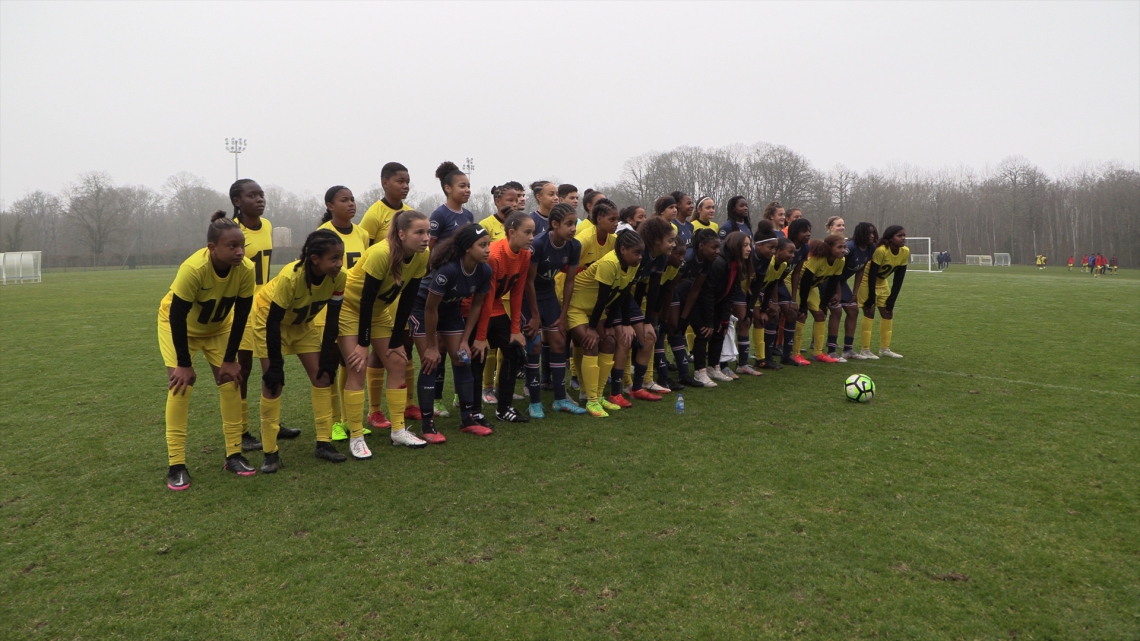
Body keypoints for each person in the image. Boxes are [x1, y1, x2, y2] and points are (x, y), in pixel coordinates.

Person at [159, 211, 256, 490]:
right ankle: (176, 464)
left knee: (230, 384)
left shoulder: (246, 269)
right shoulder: (193, 268)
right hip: (178, 328)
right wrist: (184, 363)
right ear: (212, 248)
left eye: (242, 246)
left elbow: (241, 314)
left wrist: (229, 360)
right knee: (181, 385)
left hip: (218, 329)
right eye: (232, 247)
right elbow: (177, 315)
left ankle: (234, 455)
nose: (239, 252)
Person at [339, 210, 432, 455]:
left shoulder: (423, 255)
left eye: (428, 232)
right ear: (401, 234)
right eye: (419, 232)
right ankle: (356, 437)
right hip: (350, 308)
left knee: (398, 362)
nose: (426, 238)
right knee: (357, 367)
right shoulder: (382, 252)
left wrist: (394, 341)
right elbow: (366, 299)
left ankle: (398, 431)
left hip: (378, 312)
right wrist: (363, 343)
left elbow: (408, 298)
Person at [253, 230, 347, 469]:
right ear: (315, 259)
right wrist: (276, 365)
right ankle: (270, 453)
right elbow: (273, 321)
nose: (339, 264)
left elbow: (333, 320)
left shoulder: (339, 277)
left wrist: (326, 357)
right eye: (333, 258)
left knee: (323, 376)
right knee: (273, 383)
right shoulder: (291, 277)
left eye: (341, 257)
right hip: (270, 322)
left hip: (303, 324)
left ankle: (324, 443)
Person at [409, 224, 494, 442]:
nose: (487, 250)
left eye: (489, 245)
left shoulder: (484, 270)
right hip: (422, 308)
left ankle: (468, 420)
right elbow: (430, 309)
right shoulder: (448, 271)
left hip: (450, 309)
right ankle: (427, 426)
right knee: (430, 362)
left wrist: (466, 340)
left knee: (462, 359)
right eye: (482, 245)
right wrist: (432, 346)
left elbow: (476, 306)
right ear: (467, 248)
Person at [316, 186, 373, 442]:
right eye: (344, 200)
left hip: (354, 307)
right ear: (330, 205)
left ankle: (348, 420)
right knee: (329, 364)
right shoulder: (322, 234)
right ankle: (332, 422)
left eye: (352, 199)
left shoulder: (361, 233)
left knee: (349, 363)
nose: (351, 204)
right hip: (329, 306)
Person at [567, 230, 644, 416]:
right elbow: (602, 298)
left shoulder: (632, 264)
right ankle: (591, 401)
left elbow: (622, 295)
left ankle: (599, 395)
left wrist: (610, 324)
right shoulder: (610, 263)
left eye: (642, 253)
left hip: (595, 309)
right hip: (576, 305)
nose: (640, 257)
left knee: (609, 342)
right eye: (637, 253)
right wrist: (593, 328)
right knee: (591, 344)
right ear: (623, 249)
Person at [522, 204, 588, 417]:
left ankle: (560, 399)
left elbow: (569, 282)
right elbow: (528, 282)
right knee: (534, 345)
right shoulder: (539, 244)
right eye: (568, 224)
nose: (573, 228)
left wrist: (563, 315)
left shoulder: (574, 246)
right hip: (528, 297)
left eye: (574, 223)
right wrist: (534, 315)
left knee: (559, 341)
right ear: (554, 224)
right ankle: (534, 402)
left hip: (550, 297)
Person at [228, 179, 280, 453]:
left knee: (272, 363)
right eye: (252, 195)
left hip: (267, 304)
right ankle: (242, 430)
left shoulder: (268, 225)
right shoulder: (233, 231)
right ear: (238, 201)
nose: (260, 199)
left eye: (261, 194)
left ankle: (271, 424)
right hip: (242, 307)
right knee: (244, 369)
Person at [472, 212, 535, 423]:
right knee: (477, 356)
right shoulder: (494, 255)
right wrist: (481, 337)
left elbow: (517, 293)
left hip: (496, 308)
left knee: (515, 352)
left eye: (533, 232)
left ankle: (504, 408)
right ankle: (473, 411)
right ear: (511, 232)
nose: (531, 237)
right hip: (475, 309)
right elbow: (484, 300)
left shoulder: (525, 255)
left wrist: (515, 330)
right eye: (527, 232)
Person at [619, 217, 677, 402]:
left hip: (627, 297)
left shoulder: (661, 257)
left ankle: (637, 387)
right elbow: (624, 286)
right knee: (623, 339)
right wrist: (628, 322)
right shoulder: (638, 254)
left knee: (650, 336)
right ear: (657, 240)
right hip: (614, 294)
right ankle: (617, 388)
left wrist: (649, 321)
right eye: (670, 240)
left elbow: (653, 288)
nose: (674, 245)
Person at [565, 198, 619, 392]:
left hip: (595, 302)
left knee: (609, 340)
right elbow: (565, 273)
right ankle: (583, 389)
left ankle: (595, 390)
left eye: (617, 220)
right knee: (587, 340)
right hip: (573, 299)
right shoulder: (584, 239)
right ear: (599, 218)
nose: (616, 224)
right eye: (612, 219)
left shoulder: (614, 242)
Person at [670, 229, 722, 387]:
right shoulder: (687, 257)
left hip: (685, 294)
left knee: (688, 328)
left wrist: (685, 316)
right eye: (714, 248)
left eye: (719, 247)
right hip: (671, 293)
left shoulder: (707, 261)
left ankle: (693, 373)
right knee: (669, 329)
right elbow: (672, 286)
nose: (718, 251)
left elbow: (695, 289)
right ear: (701, 246)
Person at [704, 231, 752, 381]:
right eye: (745, 245)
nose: (749, 249)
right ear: (735, 245)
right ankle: (699, 371)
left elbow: (730, 293)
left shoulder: (735, 264)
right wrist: (709, 318)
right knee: (703, 333)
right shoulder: (719, 263)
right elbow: (709, 292)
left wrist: (724, 319)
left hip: (717, 303)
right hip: (702, 303)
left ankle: (714, 367)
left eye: (749, 245)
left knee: (719, 331)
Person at [719, 197, 758, 375]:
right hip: (727, 278)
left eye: (746, 205)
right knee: (726, 321)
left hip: (740, 280)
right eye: (741, 205)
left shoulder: (747, 226)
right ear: (732, 208)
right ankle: (723, 364)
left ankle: (742, 362)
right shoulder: (727, 227)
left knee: (745, 319)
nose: (745, 208)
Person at [859, 225, 910, 359]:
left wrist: (892, 299)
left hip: (882, 282)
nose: (903, 238)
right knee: (869, 311)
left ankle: (885, 349)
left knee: (888, 312)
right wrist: (871, 296)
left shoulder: (905, 251)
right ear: (890, 238)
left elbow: (899, 278)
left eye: (904, 235)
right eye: (899, 236)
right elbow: (871, 274)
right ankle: (865, 349)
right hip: (867, 280)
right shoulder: (881, 250)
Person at [798, 234, 847, 364]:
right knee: (801, 315)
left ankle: (818, 353)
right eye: (839, 247)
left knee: (820, 315)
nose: (843, 250)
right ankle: (795, 353)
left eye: (844, 247)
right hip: (796, 286)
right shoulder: (817, 259)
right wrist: (803, 305)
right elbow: (804, 282)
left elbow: (832, 283)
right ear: (829, 248)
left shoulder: (840, 261)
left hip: (809, 288)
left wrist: (824, 305)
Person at [745, 220, 784, 371]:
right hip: (738, 291)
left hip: (752, 291)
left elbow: (760, 283)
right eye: (771, 247)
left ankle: (762, 359)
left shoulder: (766, 258)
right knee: (743, 321)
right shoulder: (749, 257)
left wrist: (761, 308)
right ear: (759, 245)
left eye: (775, 247)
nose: (773, 251)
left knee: (759, 318)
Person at [837, 222, 878, 360]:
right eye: (869, 233)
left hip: (841, 282)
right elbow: (834, 270)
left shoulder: (871, 247)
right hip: (830, 279)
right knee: (834, 310)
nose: (872, 236)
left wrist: (855, 293)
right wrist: (836, 291)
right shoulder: (849, 247)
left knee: (853, 310)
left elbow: (861, 270)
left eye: (873, 233)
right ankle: (829, 349)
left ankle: (848, 350)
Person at [781, 218, 813, 366]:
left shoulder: (805, 248)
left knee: (792, 313)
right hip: (769, 281)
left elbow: (796, 273)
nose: (808, 234)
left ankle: (786, 355)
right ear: (795, 232)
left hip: (780, 282)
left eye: (809, 230)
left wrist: (794, 298)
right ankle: (764, 355)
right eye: (804, 231)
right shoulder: (784, 244)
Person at [429, 161, 475, 248]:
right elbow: (429, 248)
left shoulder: (469, 215)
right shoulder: (439, 215)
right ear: (448, 188)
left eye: (468, 186)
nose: (467, 190)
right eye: (462, 186)